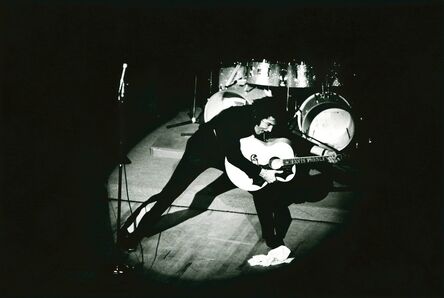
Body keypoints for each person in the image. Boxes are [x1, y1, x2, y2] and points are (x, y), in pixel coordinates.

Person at [117, 96, 337, 251]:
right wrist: (261, 171)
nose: (270, 130)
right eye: (268, 125)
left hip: (230, 155)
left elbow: (290, 136)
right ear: (260, 116)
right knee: (170, 193)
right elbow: (234, 157)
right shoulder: (235, 119)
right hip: (202, 152)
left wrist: (322, 151)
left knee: (259, 189)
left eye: (272, 126)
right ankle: (133, 234)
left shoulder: (266, 121)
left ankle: (271, 238)